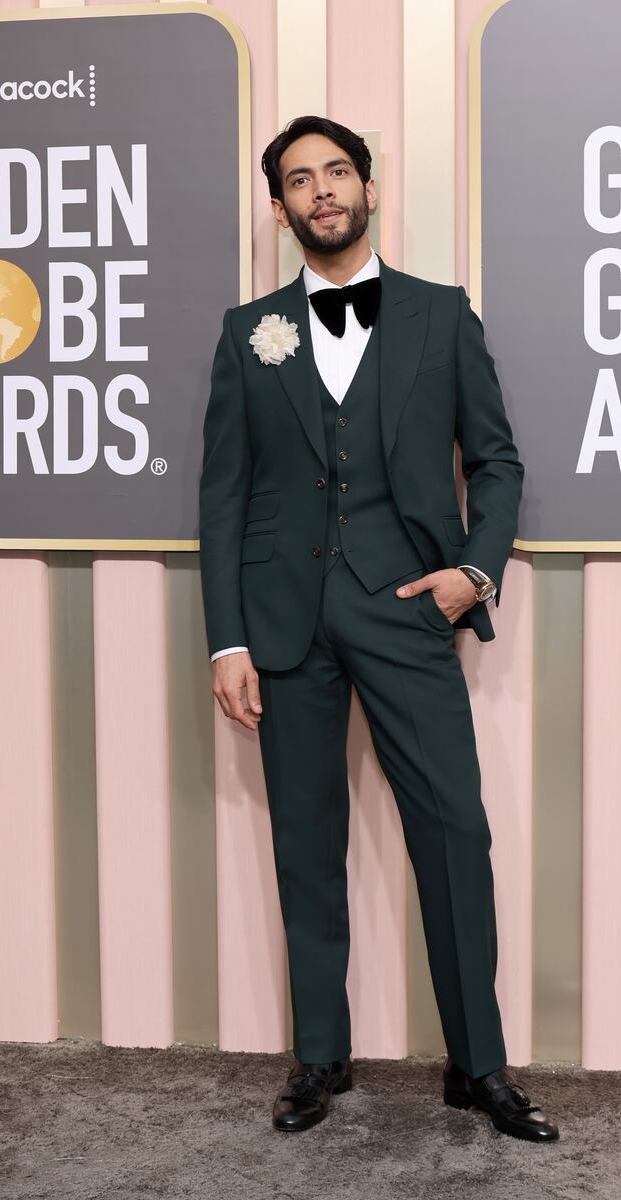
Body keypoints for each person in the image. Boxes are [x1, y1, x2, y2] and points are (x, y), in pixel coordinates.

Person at [199, 115, 559, 1143]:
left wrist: (471, 575)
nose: (321, 190)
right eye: (300, 179)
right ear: (278, 208)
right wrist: (226, 639)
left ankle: (475, 1066)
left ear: (367, 189)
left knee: (455, 831)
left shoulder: (443, 317)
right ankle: (320, 1055)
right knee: (303, 840)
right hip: (283, 620)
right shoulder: (246, 330)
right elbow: (222, 492)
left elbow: (494, 461)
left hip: (406, 608)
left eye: (337, 172)